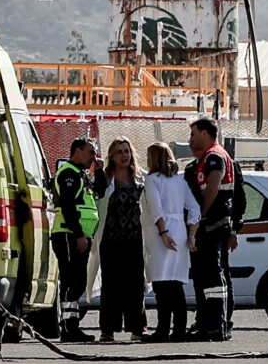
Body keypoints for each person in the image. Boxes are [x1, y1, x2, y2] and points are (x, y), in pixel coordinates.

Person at [185, 117, 241, 340]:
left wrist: (200, 215)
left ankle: (216, 325)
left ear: (205, 134)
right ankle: (210, 323)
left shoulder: (214, 156)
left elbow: (214, 186)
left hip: (211, 226)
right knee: (207, 276)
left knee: (212, 276)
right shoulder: (208, 158)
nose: (190, 140)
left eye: (193, 134)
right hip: (213, 225)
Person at [85, 139, 147, 341]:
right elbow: (96, 197)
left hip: (136, 240)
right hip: (110, 240)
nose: (124, 155)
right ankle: (108, 330)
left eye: (127, 151)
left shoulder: (140, 178)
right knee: (111, 286)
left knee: (136, 284)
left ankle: (137, 328)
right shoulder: (105, 178)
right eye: (119, 152)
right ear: (112, 156)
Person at [141, 142, 197, 341]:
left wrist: (163, 232)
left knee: (161, 284)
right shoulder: (179, 181)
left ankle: (163, 329)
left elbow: (156, 209)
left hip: (161, 233)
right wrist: (191, 234)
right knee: (176, 283)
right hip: (180, 230)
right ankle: (179, 329)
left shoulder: (152, 180)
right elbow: (194, 209)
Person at [50, 137, 100, 341]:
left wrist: (100, 172)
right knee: (71, 282)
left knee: (78, 282)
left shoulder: (82, 175)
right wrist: (79, 235)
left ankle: (71, 325)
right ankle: (69, 328)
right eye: (90, 152)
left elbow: (99, 192)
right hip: (69, 234)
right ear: (77, 151)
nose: (93, 157)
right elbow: (69, 207)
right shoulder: (69, 174)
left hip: (80, 237)